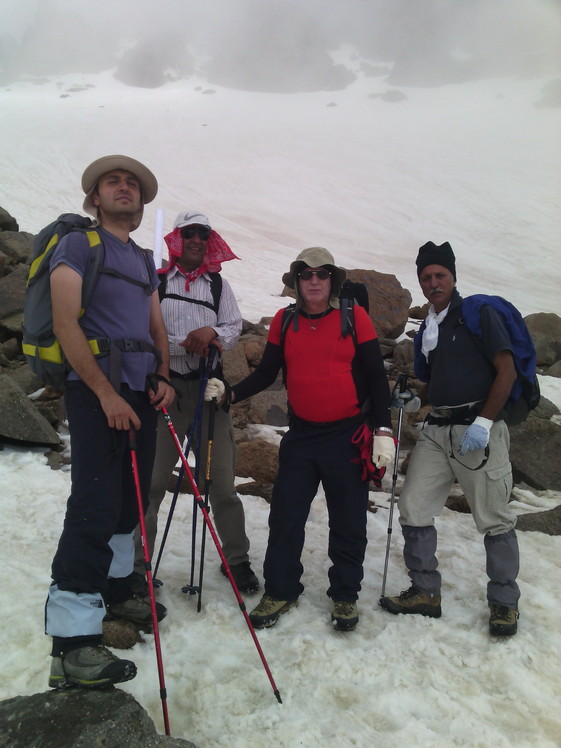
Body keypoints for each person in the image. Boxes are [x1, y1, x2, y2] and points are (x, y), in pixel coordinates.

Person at [206, 247, 394, 631]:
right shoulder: (284, 320)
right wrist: (231, 394)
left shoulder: (353, 317)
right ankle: (281, 589)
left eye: (321, 274)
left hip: (348, 435)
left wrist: (383, 430)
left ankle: (344, 596)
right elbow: (268, 373)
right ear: (296, 282)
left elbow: (376, 376)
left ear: (332, 281)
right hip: (303, 435)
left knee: (348, 520)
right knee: (286, 516)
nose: (313, 281)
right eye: (306, 275)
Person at [45, 155, 176, 690]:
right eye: (113, 182)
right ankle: (72, 645)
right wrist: (103, 393)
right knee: (94, 504)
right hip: (97, 392)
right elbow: (63, 321)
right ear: (95, 198)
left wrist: (164, 376)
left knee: (129, 498)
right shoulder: (78, 245)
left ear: (142, 204)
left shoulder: (142, 260)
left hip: (140, 393)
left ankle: (119, 591)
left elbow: (155, 326)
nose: (125, 188)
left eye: (133, 185)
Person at [379, 241, 520, 636]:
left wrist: (485, 423)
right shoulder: (429, 326)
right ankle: (425, 591)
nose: (433, 282)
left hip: (479, 429)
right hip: (437, 430)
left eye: (440, 275)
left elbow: (505, 372)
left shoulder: (478, 313)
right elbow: (440, 380)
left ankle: (504, 603)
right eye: (426, 277)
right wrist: (416, 397)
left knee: (494, 518)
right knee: (413, 506)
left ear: (453, 277)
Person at [131, 210, 259, 595]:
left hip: (208, 391)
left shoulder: (217, 287)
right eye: (190, 233)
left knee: (221, 483)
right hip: (163, 391)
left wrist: (211, 332)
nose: (198, 240)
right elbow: (141, 330)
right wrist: (184, 344)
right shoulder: (155, 281)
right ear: (178, 238)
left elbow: (234, 329)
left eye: (204, 234)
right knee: (152, 483)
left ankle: (236, 559)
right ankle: (138, 565)